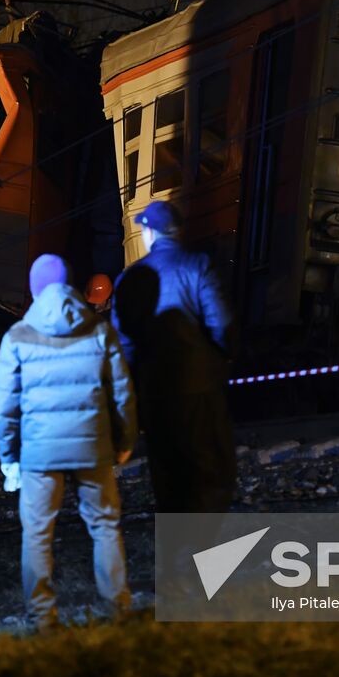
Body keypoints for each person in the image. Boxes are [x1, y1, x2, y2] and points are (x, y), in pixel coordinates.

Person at [0, 254, 137, 630]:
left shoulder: (17, 337)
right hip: (92, 446)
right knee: (105, 526)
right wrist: (125, 439)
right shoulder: (98, 331)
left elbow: (5, 406)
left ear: (35, 289)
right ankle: (119, 609)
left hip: (39, 453)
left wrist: (9, 457)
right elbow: (122, 391)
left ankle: (42, 618)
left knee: (37, 533)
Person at [112, 200, 236, 514]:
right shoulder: (198, 265)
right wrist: (223, 358)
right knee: (207, 463)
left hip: (154, 389)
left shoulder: (129, 279)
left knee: (166, 467)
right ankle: (205, 539)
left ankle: (176, 541)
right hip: (199, 384)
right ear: (177, 232)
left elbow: (122, 344)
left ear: (148, 232)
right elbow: (221, 323)